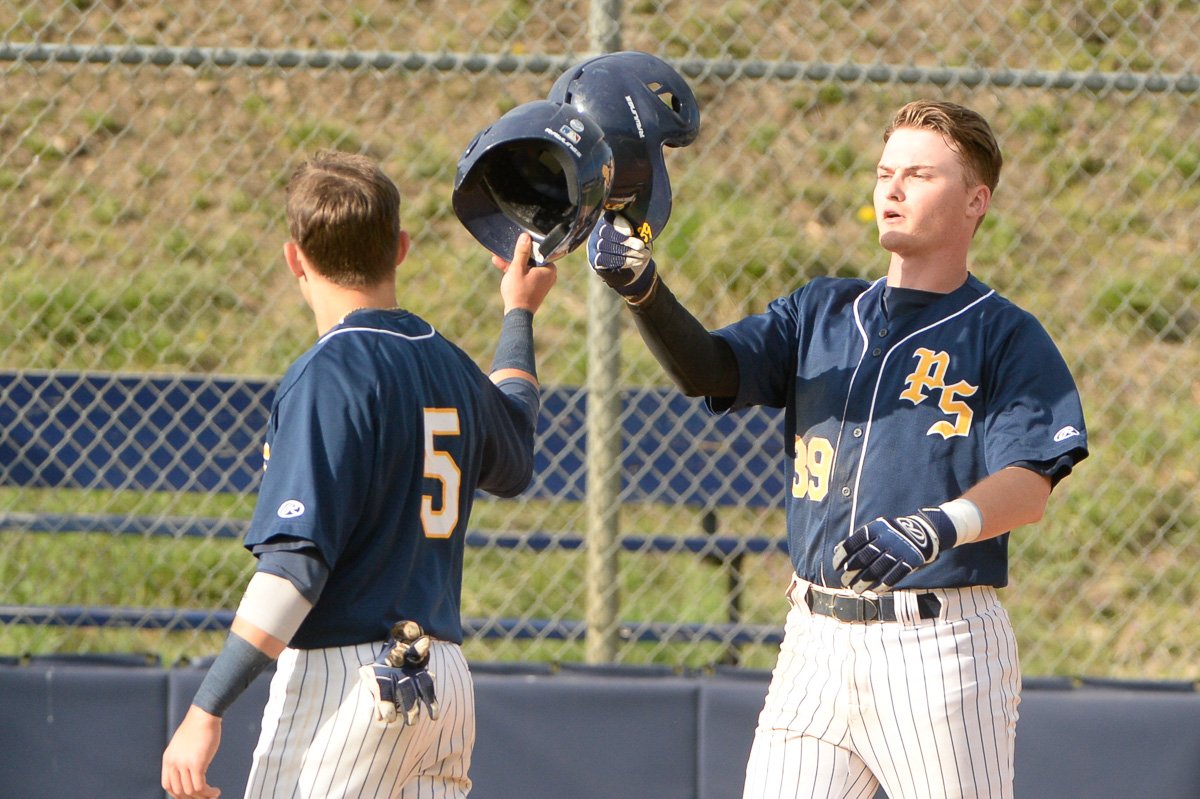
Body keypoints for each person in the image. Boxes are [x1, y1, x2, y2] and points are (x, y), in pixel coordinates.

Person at [587, 100, 1088, 799]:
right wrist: (644, 290)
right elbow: (710, 370)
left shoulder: (1003, 334)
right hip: (814, 642)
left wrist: (936, 525)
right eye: (886, 171)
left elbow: (1031, 482)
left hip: (936, 648)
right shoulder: (819, 310)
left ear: (977, 200)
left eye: (919, 174)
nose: (893, 188)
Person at [161, 150, 556, 799]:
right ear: (400, 247)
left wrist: (206, 706)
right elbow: (514, 449)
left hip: (348, 684)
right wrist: (518, 313)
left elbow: (295, 571)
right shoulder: (448, 363)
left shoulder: (329, 374)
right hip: (445, 681)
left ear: (295, 258)